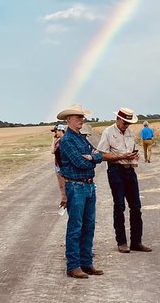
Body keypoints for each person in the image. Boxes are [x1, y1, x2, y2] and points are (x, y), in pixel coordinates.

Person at [55, 104, 106, 278]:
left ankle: (86, 263)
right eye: (78, 117)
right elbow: (80, 162)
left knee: (89, 226)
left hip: (88, 185)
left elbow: (98, 154)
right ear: (68, 120)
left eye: (82, 117)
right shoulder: (67, 140)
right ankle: (73, 265)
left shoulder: (81, 138)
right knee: (76, 227)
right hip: (76, 186)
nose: (81, 120)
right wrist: (94, 158)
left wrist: (93, 157)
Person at [97, 108, 151, 253]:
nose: (126, 125)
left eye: (128, 123)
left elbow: (132, 149)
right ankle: (121, 242)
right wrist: (121, 156)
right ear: (118, 119)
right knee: (119, 206)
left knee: (136, 206)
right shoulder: (108, 132)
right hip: (115, 171)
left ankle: (136, 242)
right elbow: (102, 155)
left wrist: (134, 156)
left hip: (130, 170)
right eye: (125, 122)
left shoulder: (131, 133)